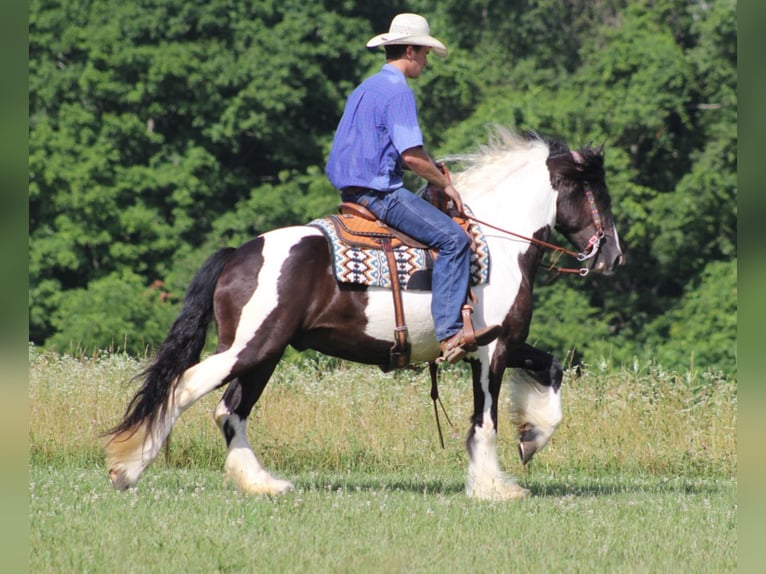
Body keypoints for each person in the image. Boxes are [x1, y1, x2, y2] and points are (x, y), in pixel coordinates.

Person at [326, 13, 501, 363]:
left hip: (352, 192)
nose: (425, 61)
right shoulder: (397, 93)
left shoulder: (365, 88)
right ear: (409, 50)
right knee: (454, 240)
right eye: (423, 53)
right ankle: (451, 333)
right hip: (380, 194)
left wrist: (430, 167)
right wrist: (444, 184)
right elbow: (412, 158)